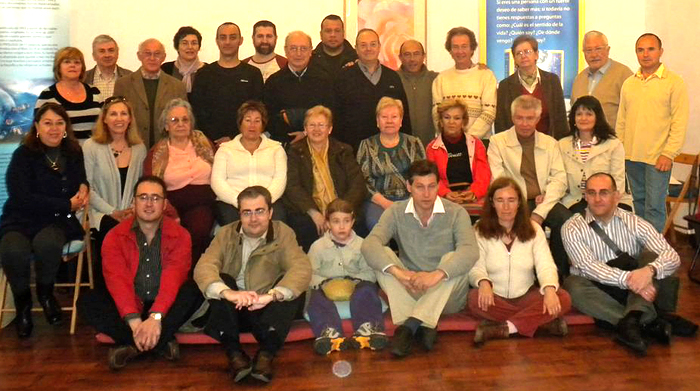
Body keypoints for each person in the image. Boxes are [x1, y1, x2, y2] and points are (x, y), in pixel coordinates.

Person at [562, 173, 697, 355]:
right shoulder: (571, 227)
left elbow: (672, 256)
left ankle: (632, 322)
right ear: (585, 196)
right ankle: (648, 321)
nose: (597, 199)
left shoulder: (634, 221)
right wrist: (631, 279)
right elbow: (588, 267)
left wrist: (649, 271)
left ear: (616, 196)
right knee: (572, 285)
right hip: (602, 290)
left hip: (635, 291)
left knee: (651, 256)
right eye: (591, 193)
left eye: (604, 192)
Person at [79, 176, 204, 370]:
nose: (149, 204)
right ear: (133, 202)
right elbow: (117, 280)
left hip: (165, 306)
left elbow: (174, 278)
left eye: (155, 198)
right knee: (88, 301)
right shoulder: (114, 236)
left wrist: (155, 317)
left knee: (193, 290)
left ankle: (132, 347)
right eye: (143, 197)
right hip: (130, 305)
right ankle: (161, 342)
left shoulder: (181, 235)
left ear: (164, 204)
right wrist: (136, 322)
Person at [193, 186, 311, 383]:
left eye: (259, 211)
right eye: (247, 212)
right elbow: (204, 267)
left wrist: (271, 296)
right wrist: (228, 293)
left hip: (267, 310)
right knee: (222, 280)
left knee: (291, 286)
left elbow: (301, 268)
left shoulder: (283, 232)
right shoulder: (225, 234)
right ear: (239, 214)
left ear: (270, 212)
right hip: (234, 310)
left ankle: (266, 354)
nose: (253, 218)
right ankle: (235, 355)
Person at [361, 159, 477, 357]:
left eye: (432, 187)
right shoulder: (396, 212)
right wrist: (400, 274)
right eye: (420, 187)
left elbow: (470, 251)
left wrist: (437, 275)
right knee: (383, 257)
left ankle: (409, 326)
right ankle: (426, 323)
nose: (426, 194)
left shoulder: (457, 212)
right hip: (411, 287)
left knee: (454, 259)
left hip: (446, 294)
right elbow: (369, 245)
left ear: (439, 185)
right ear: (408, 186)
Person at [0, 102, 89, 338]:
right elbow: (21, 196)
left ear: (66, 127)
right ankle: (23, 305)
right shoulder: (24, 154)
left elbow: (81, 179)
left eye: (59, 123)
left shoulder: (73, 151)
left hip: (57, 220)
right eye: (48, 123)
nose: (54, 129)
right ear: (37, 127)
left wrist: (83, 187)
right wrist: (65, 203)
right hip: (21, 218)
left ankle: (46, 293)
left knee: (47, 245)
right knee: (12, 249)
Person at [468, 177, 571, 345]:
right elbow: (475, 266)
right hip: (494, 297)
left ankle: (506, 328)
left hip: (526, 295)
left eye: (511, 200)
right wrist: (483, 282)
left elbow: (546, 265)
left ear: (519, 203)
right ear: (492, 203)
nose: (506, 207)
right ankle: (541, 322)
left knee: (563, 298)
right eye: (500, 200)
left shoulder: (534, 229)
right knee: (474, 300)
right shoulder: (479, 230)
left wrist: (550, 289)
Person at [488, 95, 571, 279]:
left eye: (530, 118)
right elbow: (498, 179)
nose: (524, 123)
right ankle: (524, 276)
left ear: (538, 118)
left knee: (565, 220)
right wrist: (521, 203)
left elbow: (559, 179)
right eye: (520, 118)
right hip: (514, 201)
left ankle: (559, 274)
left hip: (543, 200)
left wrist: (540, 211)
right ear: (512, 117)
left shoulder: (550, 143)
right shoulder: (498, 142)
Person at [616, 33, 689, 233]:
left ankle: (655, 254)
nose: (645, 54)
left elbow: (679, 122)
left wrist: (669, 153)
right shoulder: (629, 83)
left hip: (658, 158)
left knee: (654, 207)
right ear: (636, 53)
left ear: (660, 52)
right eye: (641, 50)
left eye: (651, 49)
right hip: (631, 156)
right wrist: (620, 151)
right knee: (638, 203)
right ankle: (642, 248)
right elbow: (621, 121)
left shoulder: (674, 82)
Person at [307, 198, 387, 355]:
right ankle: (329, 332)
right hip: (326, 287)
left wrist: (353, 281)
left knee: (367, 291)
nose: (342, 226)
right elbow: (310, 273)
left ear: (353, 222)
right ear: (328, 223)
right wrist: (324, 283)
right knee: (314, 298)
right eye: (336, 221)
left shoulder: (362, 245)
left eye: (346, 221)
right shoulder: (318, 247)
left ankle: (368, 328)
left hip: (356, 285)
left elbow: (370, 272)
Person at [83, 96, 146, 288]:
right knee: (115, 235)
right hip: (101, 213)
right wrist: (113, 212)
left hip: (132, 212)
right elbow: (88, 187)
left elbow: (142, 186)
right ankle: (111, 290)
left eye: (123, 114)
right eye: (113, 114)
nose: (119, 119)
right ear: (104, 119)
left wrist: (132, 209)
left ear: (130, 119)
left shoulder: (139, 148)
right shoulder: (91, 147)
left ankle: (137, 290)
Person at [283, 105, 367, 251]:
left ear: (330, 129)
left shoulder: (343, 150)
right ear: (305, 128)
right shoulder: (295, 151)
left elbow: (357, 183)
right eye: (312, 125)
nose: (316, 129)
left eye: (321, 125)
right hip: (310, 210)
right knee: (306, 228)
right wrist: (314, 213)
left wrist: (341, 212)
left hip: (342, 206)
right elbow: (292, 186)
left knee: (357, 226)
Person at [143, 98, 215, 265]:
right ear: (166, 126)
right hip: (170, 205)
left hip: (202, 203)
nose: (180, 124)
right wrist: (167, 208)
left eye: (185, 119)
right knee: (171, 235)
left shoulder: (204, 143)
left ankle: (194, 276)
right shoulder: (157, 152)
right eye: (174, 120)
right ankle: (174, 276)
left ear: (191, 123)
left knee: (198, 230)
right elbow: (150, 184)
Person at [211, 101, 287, 226]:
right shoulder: (225, 149)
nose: (252, 125)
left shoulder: (276, 149)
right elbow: (217, 182)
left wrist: (263, 203)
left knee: (277, 226)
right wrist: (240, 201)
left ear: (263, 125)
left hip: (269, 201)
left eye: (257, 121)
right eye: (248, 120)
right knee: (236, 228)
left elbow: (280, 180)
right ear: (240, 123)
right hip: (232, 203)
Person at [334, 28, 411, 152]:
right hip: (353, 150)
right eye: (363, 45)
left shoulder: (392, 77)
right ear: (356, 49)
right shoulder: (343, 77)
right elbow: (336, 117)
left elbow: (404, 116)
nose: (368, 49)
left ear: (379, 47)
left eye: (373, 44)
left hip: (390, 150)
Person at [357, 97, 425, 231]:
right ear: (377, 121)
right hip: (378, 201)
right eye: (384, 117)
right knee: (378, 226)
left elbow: (422, 175)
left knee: (417, 225)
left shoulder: (414, 143)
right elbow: (362, 181)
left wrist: (411, 201)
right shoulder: (366, 145)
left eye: (394, 116)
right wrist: (384, 202)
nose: (389, 121)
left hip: (411, 199)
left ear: (401, 121)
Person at [190, 22, 264, 146]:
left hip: (244, 143)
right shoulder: (204, 74)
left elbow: (258, 111)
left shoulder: (253, 74)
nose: (228, 42)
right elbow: (197, 111)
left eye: (233, 37)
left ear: (241, 41)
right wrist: (212, 138)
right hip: (209, 144)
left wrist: (234, 137)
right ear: (217, 41)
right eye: (223, 37)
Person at [558, 95, 632, 214]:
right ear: (573, 119)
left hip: (610, 199)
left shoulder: (613, 144)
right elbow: (559, 179)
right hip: (576, 200)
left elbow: (618, 180)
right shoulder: (562, 145)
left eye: (589, 114)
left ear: (598, 118)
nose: (583, 118)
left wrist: (602, 202)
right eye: (579, 114)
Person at [263, 31, 335, 144]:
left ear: (311, 51)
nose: (298, 53)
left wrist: (306, 133)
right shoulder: (274, 82)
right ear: (286, 50)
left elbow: (331, 114)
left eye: (303, 48)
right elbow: (268, 118)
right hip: (284, 144)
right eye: (293, 48)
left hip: (319, 143)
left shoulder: (325, 80)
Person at [114, 38, 187, 147]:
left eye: (157, 54)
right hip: (131, 147)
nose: (152, 58)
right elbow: (116, 119)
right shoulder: (123, 84)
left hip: (168, 148)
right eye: (147, 54)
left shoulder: (177, 86)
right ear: (139, 56)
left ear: (163, 57)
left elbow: (185, 121)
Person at [494, 35, 568, 139]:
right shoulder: (505, 86)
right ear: (514, 59)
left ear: (536, 55)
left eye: (527, 51)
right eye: (518, 53)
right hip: (515, 148)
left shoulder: (552, 81)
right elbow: (501, 123)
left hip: (549, 147)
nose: (523, 56)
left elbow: (561, 119)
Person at [432, 27, 497, 140]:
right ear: (450, 51)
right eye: (455, 47)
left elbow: (489, 113)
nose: (460, 51)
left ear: (472, 49)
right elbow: (436, 114)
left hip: (479, 144)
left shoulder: (486, 76)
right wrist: (453, 138)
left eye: (464, 46)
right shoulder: (441, 79)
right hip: (449, 143)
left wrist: (467, 139)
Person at [426, 99, 491, 204]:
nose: (451, 122)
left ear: (463, 122)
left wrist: (474, 192)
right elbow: (432, 177)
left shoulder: (476, 143)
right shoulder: (432, 148)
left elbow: (483, 174)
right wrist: (445, 193)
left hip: (474, 199)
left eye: (457, 118)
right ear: (441, 122)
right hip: (444, 200)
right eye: (447, 117)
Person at [35, 47, 102, 141]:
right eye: (67, 62)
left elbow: (104, 125)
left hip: (93, 153)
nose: (72, 65)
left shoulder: (94, 91)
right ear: (58, 67)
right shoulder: (47, 95)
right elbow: (40, 129)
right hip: (63, 154)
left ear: (82, 67)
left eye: (77, 62)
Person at [570, 31, 633, 130]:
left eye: (598, 49)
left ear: (608, 50)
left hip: (612, 142)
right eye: (589, 50)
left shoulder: (624, 75)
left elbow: (632, 114)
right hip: (583, 143)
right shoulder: (579, 79)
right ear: (583, 53)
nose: (594, 55)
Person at [397, 39, 438, 147]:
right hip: (400, 146)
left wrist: (476, 67)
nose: (412, 59)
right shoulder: (392, 79)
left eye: (416, 54)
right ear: (400, 57)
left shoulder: (436, 79)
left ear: (423, 56)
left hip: (429, 145)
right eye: (407, 55)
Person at [84, 34, 132, 102]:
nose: (107, 55)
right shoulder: (83, 78)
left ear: (117, 54)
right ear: (94, 56)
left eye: (111, 50)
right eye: (102, 51)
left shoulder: (130, 77)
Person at [161, 26, 206, 96]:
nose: (190, 47)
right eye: (185, 43)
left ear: (199, 47)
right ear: (177, 47)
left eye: (194, 43)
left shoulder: (209, 71)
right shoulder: (166, 69)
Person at [310, 14, 358, 79]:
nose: (333, 35)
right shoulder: (310, 60)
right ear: (321, 34)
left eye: (337, 31)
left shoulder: (356, 59)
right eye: (328, 31)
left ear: (343, 33)